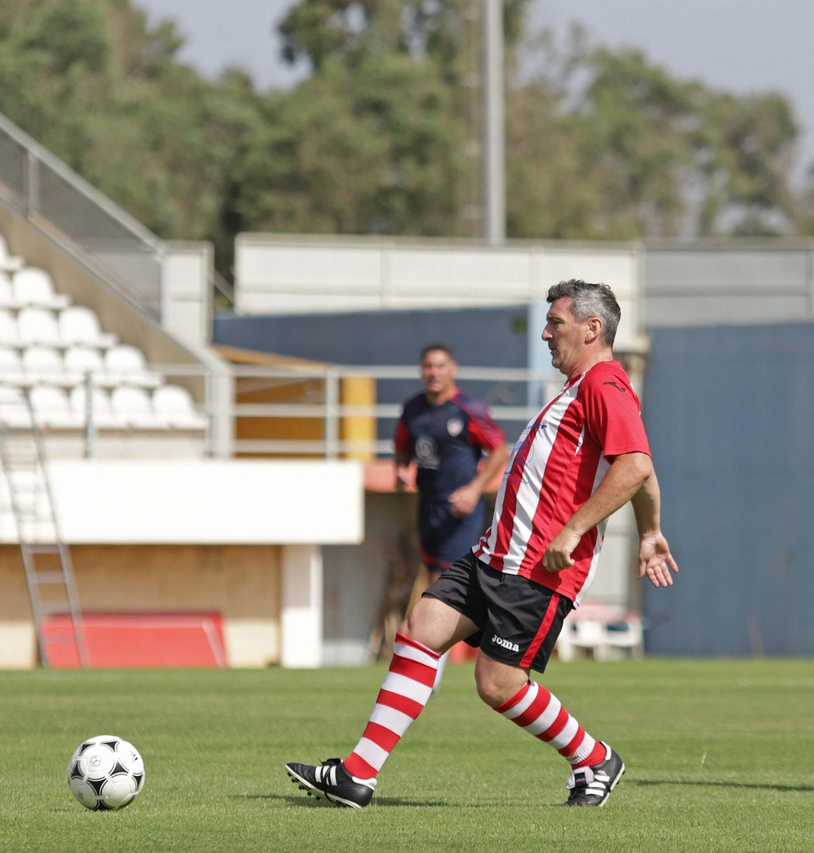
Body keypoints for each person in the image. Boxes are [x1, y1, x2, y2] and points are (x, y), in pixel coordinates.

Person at [287, 279, 678, 809]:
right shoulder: (578, 387)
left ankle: (593, 759)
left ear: (592, 329)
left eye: (555, 323)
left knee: (496, 683)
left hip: (539, 567)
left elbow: (635, 465)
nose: (545, 333)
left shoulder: (604, 383)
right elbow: (640, 467)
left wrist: (575, 529)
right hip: (494, 553)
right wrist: (651, 532)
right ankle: (357, 775)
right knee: (420, 629)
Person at [395, 344, 509, 583]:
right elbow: (403, 447)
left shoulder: (468, 409)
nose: (434, 372)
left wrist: (474, 490)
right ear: (421, 370)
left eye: (440, 366)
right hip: (427, 506)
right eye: (428, 366)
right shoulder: (412, 409)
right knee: (434, 578)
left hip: (459, 509)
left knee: (446, 582)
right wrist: (401, 469)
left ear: (452, 369)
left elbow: (499, 451)